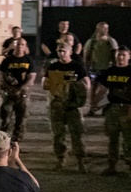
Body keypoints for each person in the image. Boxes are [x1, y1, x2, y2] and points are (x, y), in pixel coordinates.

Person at [43, 42, 90, 172]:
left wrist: (73, 87)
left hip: (73, 107)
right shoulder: (53, 67)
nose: (61, 53)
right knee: (58, 134)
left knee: (77, 134)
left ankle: (80, 161)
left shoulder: (77, 66)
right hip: (57, 105)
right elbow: (46, 84)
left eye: (64, 51)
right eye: (59, 51)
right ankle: (61, 159)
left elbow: (86, 84)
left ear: (70, 52)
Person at [98, 45, 131, 175]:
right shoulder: (109, 71)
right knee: (112, 139)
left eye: (123, 55)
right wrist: (97, 103)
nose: (121, 57)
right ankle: (112, 166)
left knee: (129, 140)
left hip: (127, 108)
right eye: (119, 54)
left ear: (129, 56)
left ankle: (129, 166)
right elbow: (105, 90)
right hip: (112, 109)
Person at [0, 37, 36, 144]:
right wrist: (9, 88)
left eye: (22, 45)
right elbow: (0, 76)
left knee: (21, 120)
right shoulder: (7, 60)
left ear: (25, 47)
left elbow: (32, 76)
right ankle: (3, 142)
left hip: (22, 95)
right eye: (18, 44)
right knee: (5, 119)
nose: (20, 46)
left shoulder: (28, 61)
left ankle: (16, 143)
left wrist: (21, 88)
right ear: (14, 46)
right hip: (8, 94)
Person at [84, 22, 118, 115]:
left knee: (104, 91)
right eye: (103, 28)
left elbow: (116, 56)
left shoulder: (111, 41)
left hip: (107, 69)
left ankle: (97, 106)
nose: (106, 30)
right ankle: (93, 108)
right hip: (94, 69)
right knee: (93, 90)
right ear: (98, 29)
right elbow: (86, 55)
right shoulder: (92, 42)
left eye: (107, 28)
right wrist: (86, 68)